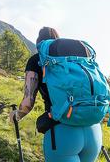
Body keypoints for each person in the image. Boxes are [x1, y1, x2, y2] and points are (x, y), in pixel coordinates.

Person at [9, 27, 102, 162]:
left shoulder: (37, 60)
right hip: (93, 130)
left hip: (63, 132)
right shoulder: (77, 61)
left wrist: (16, 116)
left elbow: (27, 103)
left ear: (39, 43)